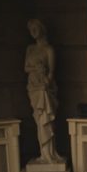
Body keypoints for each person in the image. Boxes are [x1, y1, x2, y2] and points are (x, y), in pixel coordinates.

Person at [24, 19, 62, 163]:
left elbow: (52, 72)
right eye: (31, 29)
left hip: (45, 88)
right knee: (38, 120)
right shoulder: (30, 49)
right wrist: (36, 69)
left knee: (46, 119)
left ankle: (50, 154)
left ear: (42, 29)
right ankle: (43, 154)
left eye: (35, 28)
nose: (33, 31)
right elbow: (26, 68)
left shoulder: (49, 49)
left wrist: (47, 82)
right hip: (33, 86)